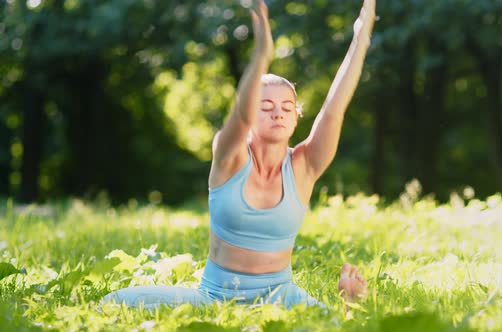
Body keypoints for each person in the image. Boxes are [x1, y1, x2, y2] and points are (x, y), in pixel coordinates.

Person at [102, 0, 376, 310]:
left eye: (287, 108)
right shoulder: (229, 157)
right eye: (265, 106)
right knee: (112, 304)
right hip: (214, 298)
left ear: (296, 118)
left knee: (337, 326)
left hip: (280, 297)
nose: (277, 114)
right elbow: (240, 117)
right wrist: (261, 56)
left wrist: (360, 37)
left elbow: (333, 110)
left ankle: (350, 302)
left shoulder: (303, 166)